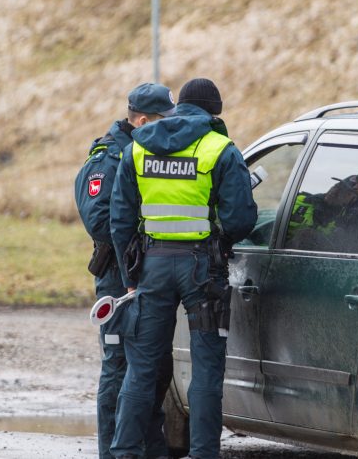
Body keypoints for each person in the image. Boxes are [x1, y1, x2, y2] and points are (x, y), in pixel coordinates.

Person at [109, 78, 258, 459]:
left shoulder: (137, 148)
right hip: (201, 269)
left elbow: (120, 220)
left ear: (179, 108)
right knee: (206, 367)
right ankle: (203, 453)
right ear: (214, 112)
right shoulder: (219, 148)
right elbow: (241, 219)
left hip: (152, 269)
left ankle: (125, 452)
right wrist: (220, 241)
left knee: (141, 368)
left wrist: (131, 280)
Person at [74, 83, 177, 459]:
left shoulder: (145, 153)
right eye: (165, 121)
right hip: (118, 277)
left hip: (148, 274)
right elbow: (100, 221)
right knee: (119, 369)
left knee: (152, 369)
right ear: (144, 120)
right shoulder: (109, 158)